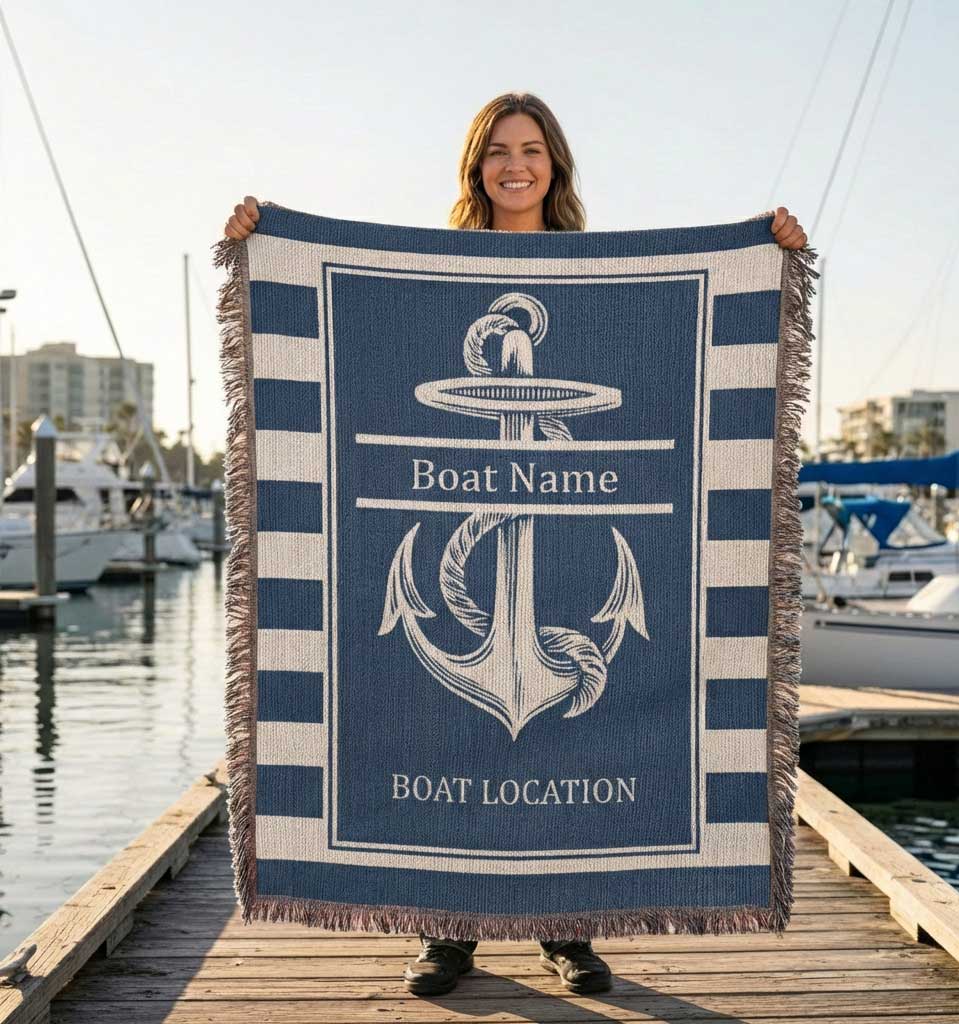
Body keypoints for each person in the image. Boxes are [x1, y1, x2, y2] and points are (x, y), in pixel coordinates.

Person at [223, 91, 806, 999]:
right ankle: (443, 935)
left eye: (531, 149)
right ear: (475, 167)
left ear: (556, 165)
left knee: (574, 747)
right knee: (446, 733)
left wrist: (766, 254)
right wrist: (266, 238)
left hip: (569, 551)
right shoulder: (428, 277)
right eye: (497, 151)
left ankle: (566, 933)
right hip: (477, 544)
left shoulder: (604, 276)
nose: (515, 165)